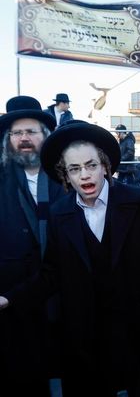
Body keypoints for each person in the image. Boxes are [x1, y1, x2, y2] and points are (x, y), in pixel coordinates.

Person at [0, 120, 140, 397]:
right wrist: (9, 298)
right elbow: (51, 274)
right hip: (87, 336)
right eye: (75, 169)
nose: (85, 176)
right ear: (65, 175)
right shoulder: (59, 212)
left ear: (105, 165)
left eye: (91, 165)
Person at [0, 95, 64, 397]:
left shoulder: (67, 176)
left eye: (31, 132)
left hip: (65, 294)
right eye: (17, 133)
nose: (24, 139)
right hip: (15, 300)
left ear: (45, 136)